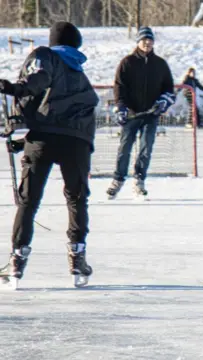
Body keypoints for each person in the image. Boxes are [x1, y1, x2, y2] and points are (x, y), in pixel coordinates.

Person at [0, 22, 99, 288]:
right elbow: (65, 118)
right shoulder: (79, 73)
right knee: (77, 198)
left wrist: (17, 89)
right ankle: (77, 257)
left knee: (28, 201)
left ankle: (17, 259)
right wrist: (24, 142)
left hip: (44, 140)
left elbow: (38, 79)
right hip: (76, 143)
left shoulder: (46, 55)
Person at [106, 26, 175, 199]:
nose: (148, 43)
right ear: (138, 42)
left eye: (150, 40)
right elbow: (119, 87)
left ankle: (139, 180)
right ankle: (118, 179)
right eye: (144, 39)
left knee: (146, 148)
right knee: (124, 148)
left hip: (151, 115)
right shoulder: (127, 62)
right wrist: (121, 107)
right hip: (131, 114)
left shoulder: (160, 64)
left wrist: (163, 101)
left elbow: (169, 89)